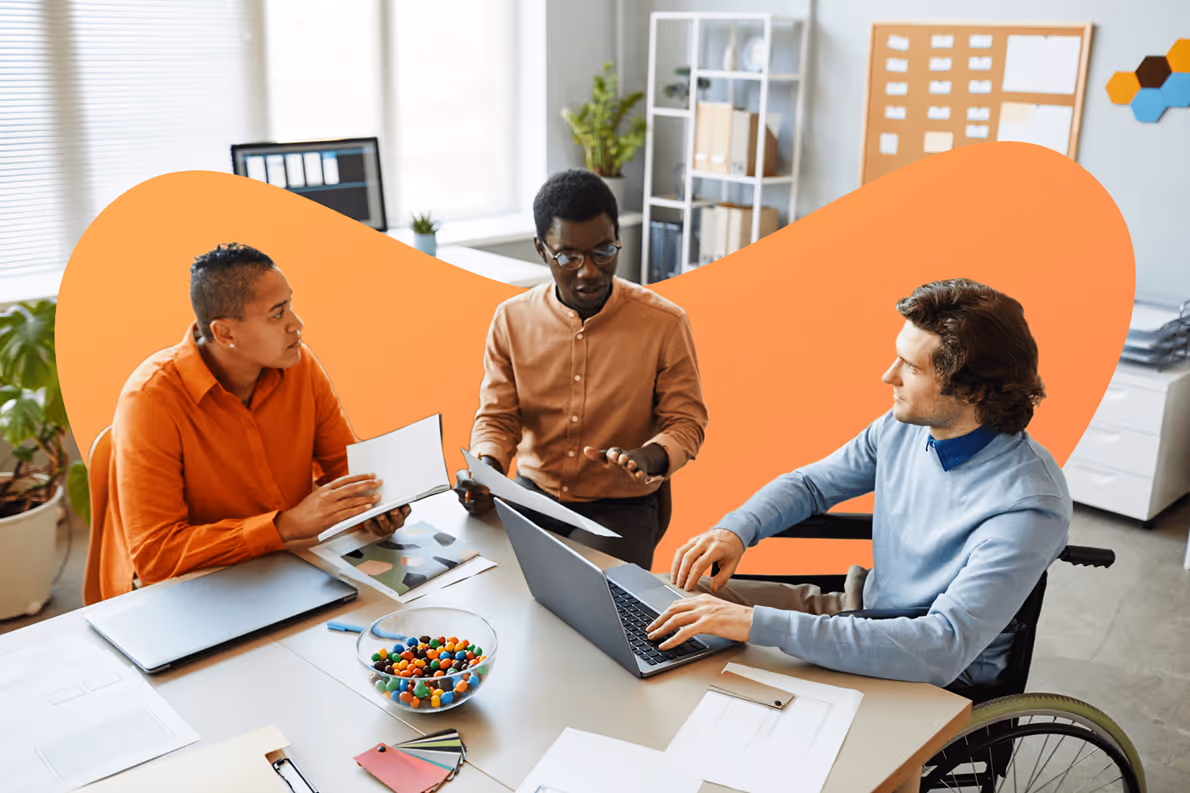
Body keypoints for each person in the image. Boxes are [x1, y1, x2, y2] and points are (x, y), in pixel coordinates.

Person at [647, 279, 1071, 687]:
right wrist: (737, 529)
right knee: (675, 596)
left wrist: (754, 624)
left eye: (911, 367)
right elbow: (812, 485)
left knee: (725, 654)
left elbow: (942, 646)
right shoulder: (903, 427)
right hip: (860, 610)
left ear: (974, 392)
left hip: (924, 669)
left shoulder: (1028, 505)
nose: (889, 376)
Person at [91, 243, 409, 600]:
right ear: (225, 334)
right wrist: (285, 525)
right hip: (201, 588)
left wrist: (374, 505)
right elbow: (157, 555)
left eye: (290, 305)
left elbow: (344, 469)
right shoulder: (150, 399)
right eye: (277, 314)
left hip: (295, 570)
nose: (297, 324)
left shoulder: (300, 366)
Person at [453, 169, 709, 569]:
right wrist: (487, 473)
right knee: (475, 573)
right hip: (532, 494)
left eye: (604, 252)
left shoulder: (665, 323)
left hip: (622, 508)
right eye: (569, 257)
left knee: (582, 592)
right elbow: (498, 418)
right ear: (542, 249)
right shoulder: (511, 320)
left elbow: (686, 422)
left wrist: (651, 457)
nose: (589, 271)